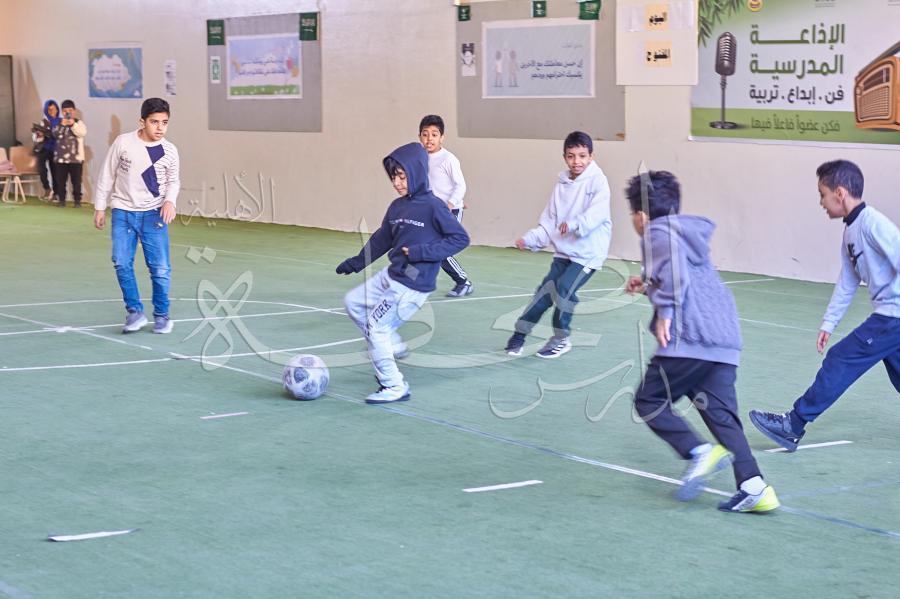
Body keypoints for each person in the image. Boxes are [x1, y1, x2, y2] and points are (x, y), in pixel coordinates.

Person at [625, 170, 779, 513]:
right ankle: (755, 487)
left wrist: (664, 312)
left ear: (641, 215)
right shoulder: (685, 233)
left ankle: (699, 451)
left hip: (688, 337)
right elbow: (682, 275)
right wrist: (647, 285)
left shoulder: (656, 232)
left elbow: (675, 276)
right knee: (721, 416)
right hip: (723, 339)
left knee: (649, 399)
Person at [750, 160, 900, 452]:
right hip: (890, 318)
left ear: (839, 193)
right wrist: (828, 323)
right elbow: (847, 282)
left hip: (892, 317)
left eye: (822, 194)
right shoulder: (851, 231)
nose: (820, 202)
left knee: (840, 359)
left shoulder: (873, 223)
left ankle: (792, 425)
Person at [336, 142, 469, 404]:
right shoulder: (397, 207)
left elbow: (460, 239)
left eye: (402, 176)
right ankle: (393, 343)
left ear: (416, 172)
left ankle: (394, 385)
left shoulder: (434, 206)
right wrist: (356, 262)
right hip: (393, 273)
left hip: (413, 283)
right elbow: (381, 240)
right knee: (352, 302)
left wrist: (421, 252)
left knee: (376, 328)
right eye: (393, 177)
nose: (397, 183)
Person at [504, 131, 611, 359]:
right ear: (564, 157)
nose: (576, 161)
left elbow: (596, 215)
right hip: (564, 253)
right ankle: (519, 335)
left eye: (582, 156)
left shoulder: (599, 182)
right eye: (571, 156)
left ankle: (561, 339)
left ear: (591, 156)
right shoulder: (561, 185)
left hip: (588, 255)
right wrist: (530, 239)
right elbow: (549, 222)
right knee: (545, 293)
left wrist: (573, 224)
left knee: (564, 290)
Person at [93, 97, 180, 334]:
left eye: (164, 122)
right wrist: (100, 206)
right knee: (121, 262)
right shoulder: (123, 143)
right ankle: (135, 312)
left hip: (154, 215)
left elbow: (173, 181)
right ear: (142, 122)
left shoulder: (170, 151)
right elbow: (107, 174)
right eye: (154, 122)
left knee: (160, 269)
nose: (160, 128)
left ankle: (162, 315)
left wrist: (170, 201)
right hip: (123, 212)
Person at [419, 114, 474, 297]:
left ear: (442, 137)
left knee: (440, 249)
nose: (429, 139)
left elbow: (460, 185)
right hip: (430, 211)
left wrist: (451, 203)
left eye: (434, 135)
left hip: (450, 211)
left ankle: (464, 282)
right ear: (420, 137)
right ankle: (412, 280)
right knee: (419, 245)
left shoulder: (449, 159)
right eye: (425, 134)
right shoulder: (420, 158)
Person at [52, 99, 87, 207]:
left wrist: (72, 125)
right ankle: (62, 200)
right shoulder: (58, 123)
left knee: (76, 181)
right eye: (65, 111)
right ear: (62, 112)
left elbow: (82, 133)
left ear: (74, 111)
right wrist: (62, 125)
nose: (67, 113)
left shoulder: (79, 123)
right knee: (61, 181)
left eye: (70, 110)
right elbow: (55, 135)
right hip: (61, 159)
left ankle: (77, 201)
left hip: (76, 159)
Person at [32, 99, 60, 201]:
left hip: (55, 150)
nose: (52, 112)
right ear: (46, 111)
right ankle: (47, 188)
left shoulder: (60, 121)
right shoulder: (43, 121)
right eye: (49, 110)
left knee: (55, 172)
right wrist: (39, 134)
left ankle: (56, 194)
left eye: (54, 109)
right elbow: (35, 137)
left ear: (57, 109)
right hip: (43, 149)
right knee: (41, 169)